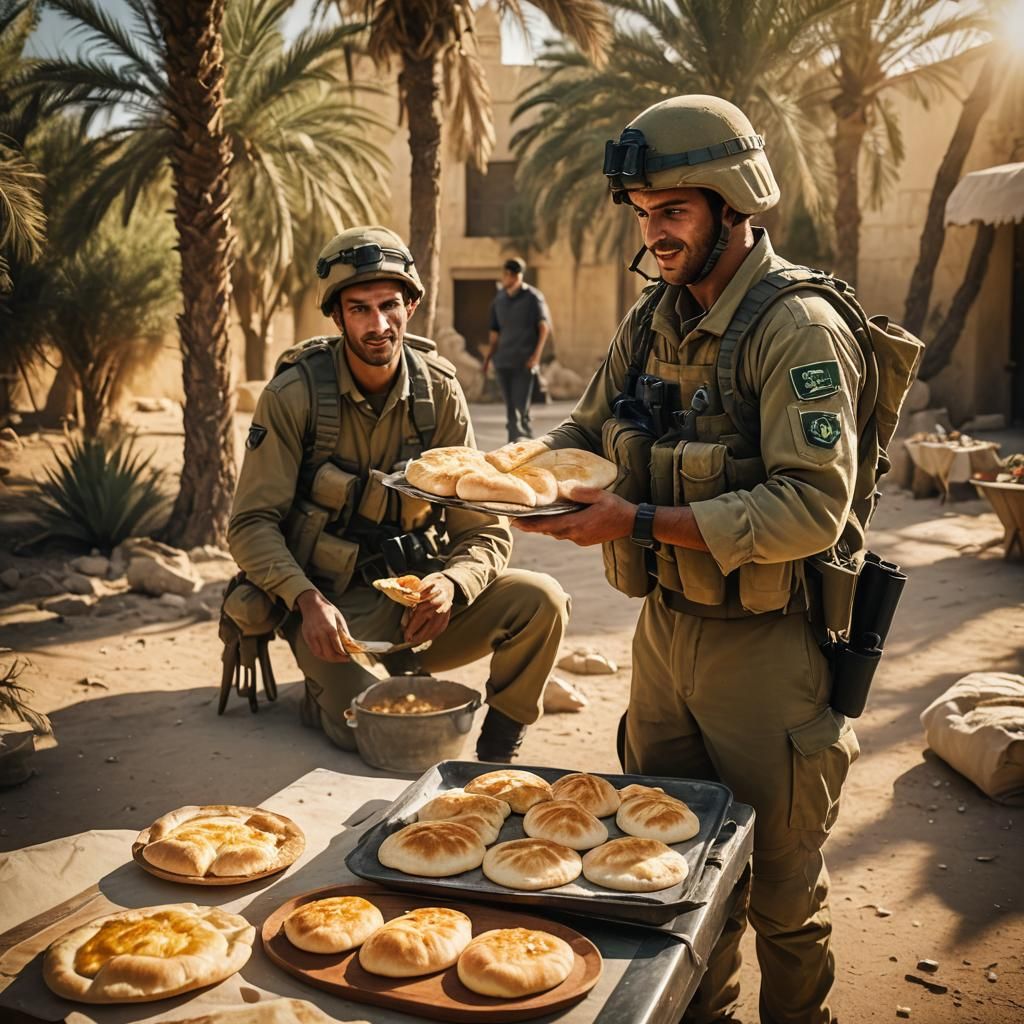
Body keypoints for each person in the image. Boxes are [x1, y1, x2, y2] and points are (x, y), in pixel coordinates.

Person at [514, 95, 878, 1024]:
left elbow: (811, 508)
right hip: (664, 639)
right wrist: (512, 479)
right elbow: (586, 428)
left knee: (783, 901)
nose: (655, 233)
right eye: (644, 215)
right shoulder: (653, 319)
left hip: (767, 649)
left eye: (672, 211)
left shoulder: (797, 328)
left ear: (732, 206)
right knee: (660, 881)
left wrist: (635, 520)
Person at [227, 226, 569, 763]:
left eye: (390, 305)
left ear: (411, 304)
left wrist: (452, 585)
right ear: (337, 316)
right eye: (359, 309)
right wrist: (305, 600)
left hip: (423, 599)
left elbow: (483, 524)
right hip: (333, 607)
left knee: (542, 599)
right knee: (374, 730)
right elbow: (250, 524)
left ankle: (499, 745)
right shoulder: (294, 396)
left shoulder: (439, 391)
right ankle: (332, 692)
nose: (378, 324)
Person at [482, 257, 551, 443]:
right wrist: (488, 359)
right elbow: (494, 333)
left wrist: (536, 357)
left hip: (524, 362)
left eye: (509, 274)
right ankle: (516, 445)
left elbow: (544, 327)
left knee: (521, 408)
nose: (506, 277)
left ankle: (522, 443)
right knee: (511, 409)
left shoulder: (533, 297)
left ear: (515, 275)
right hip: (503, 361)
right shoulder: (499, 299)